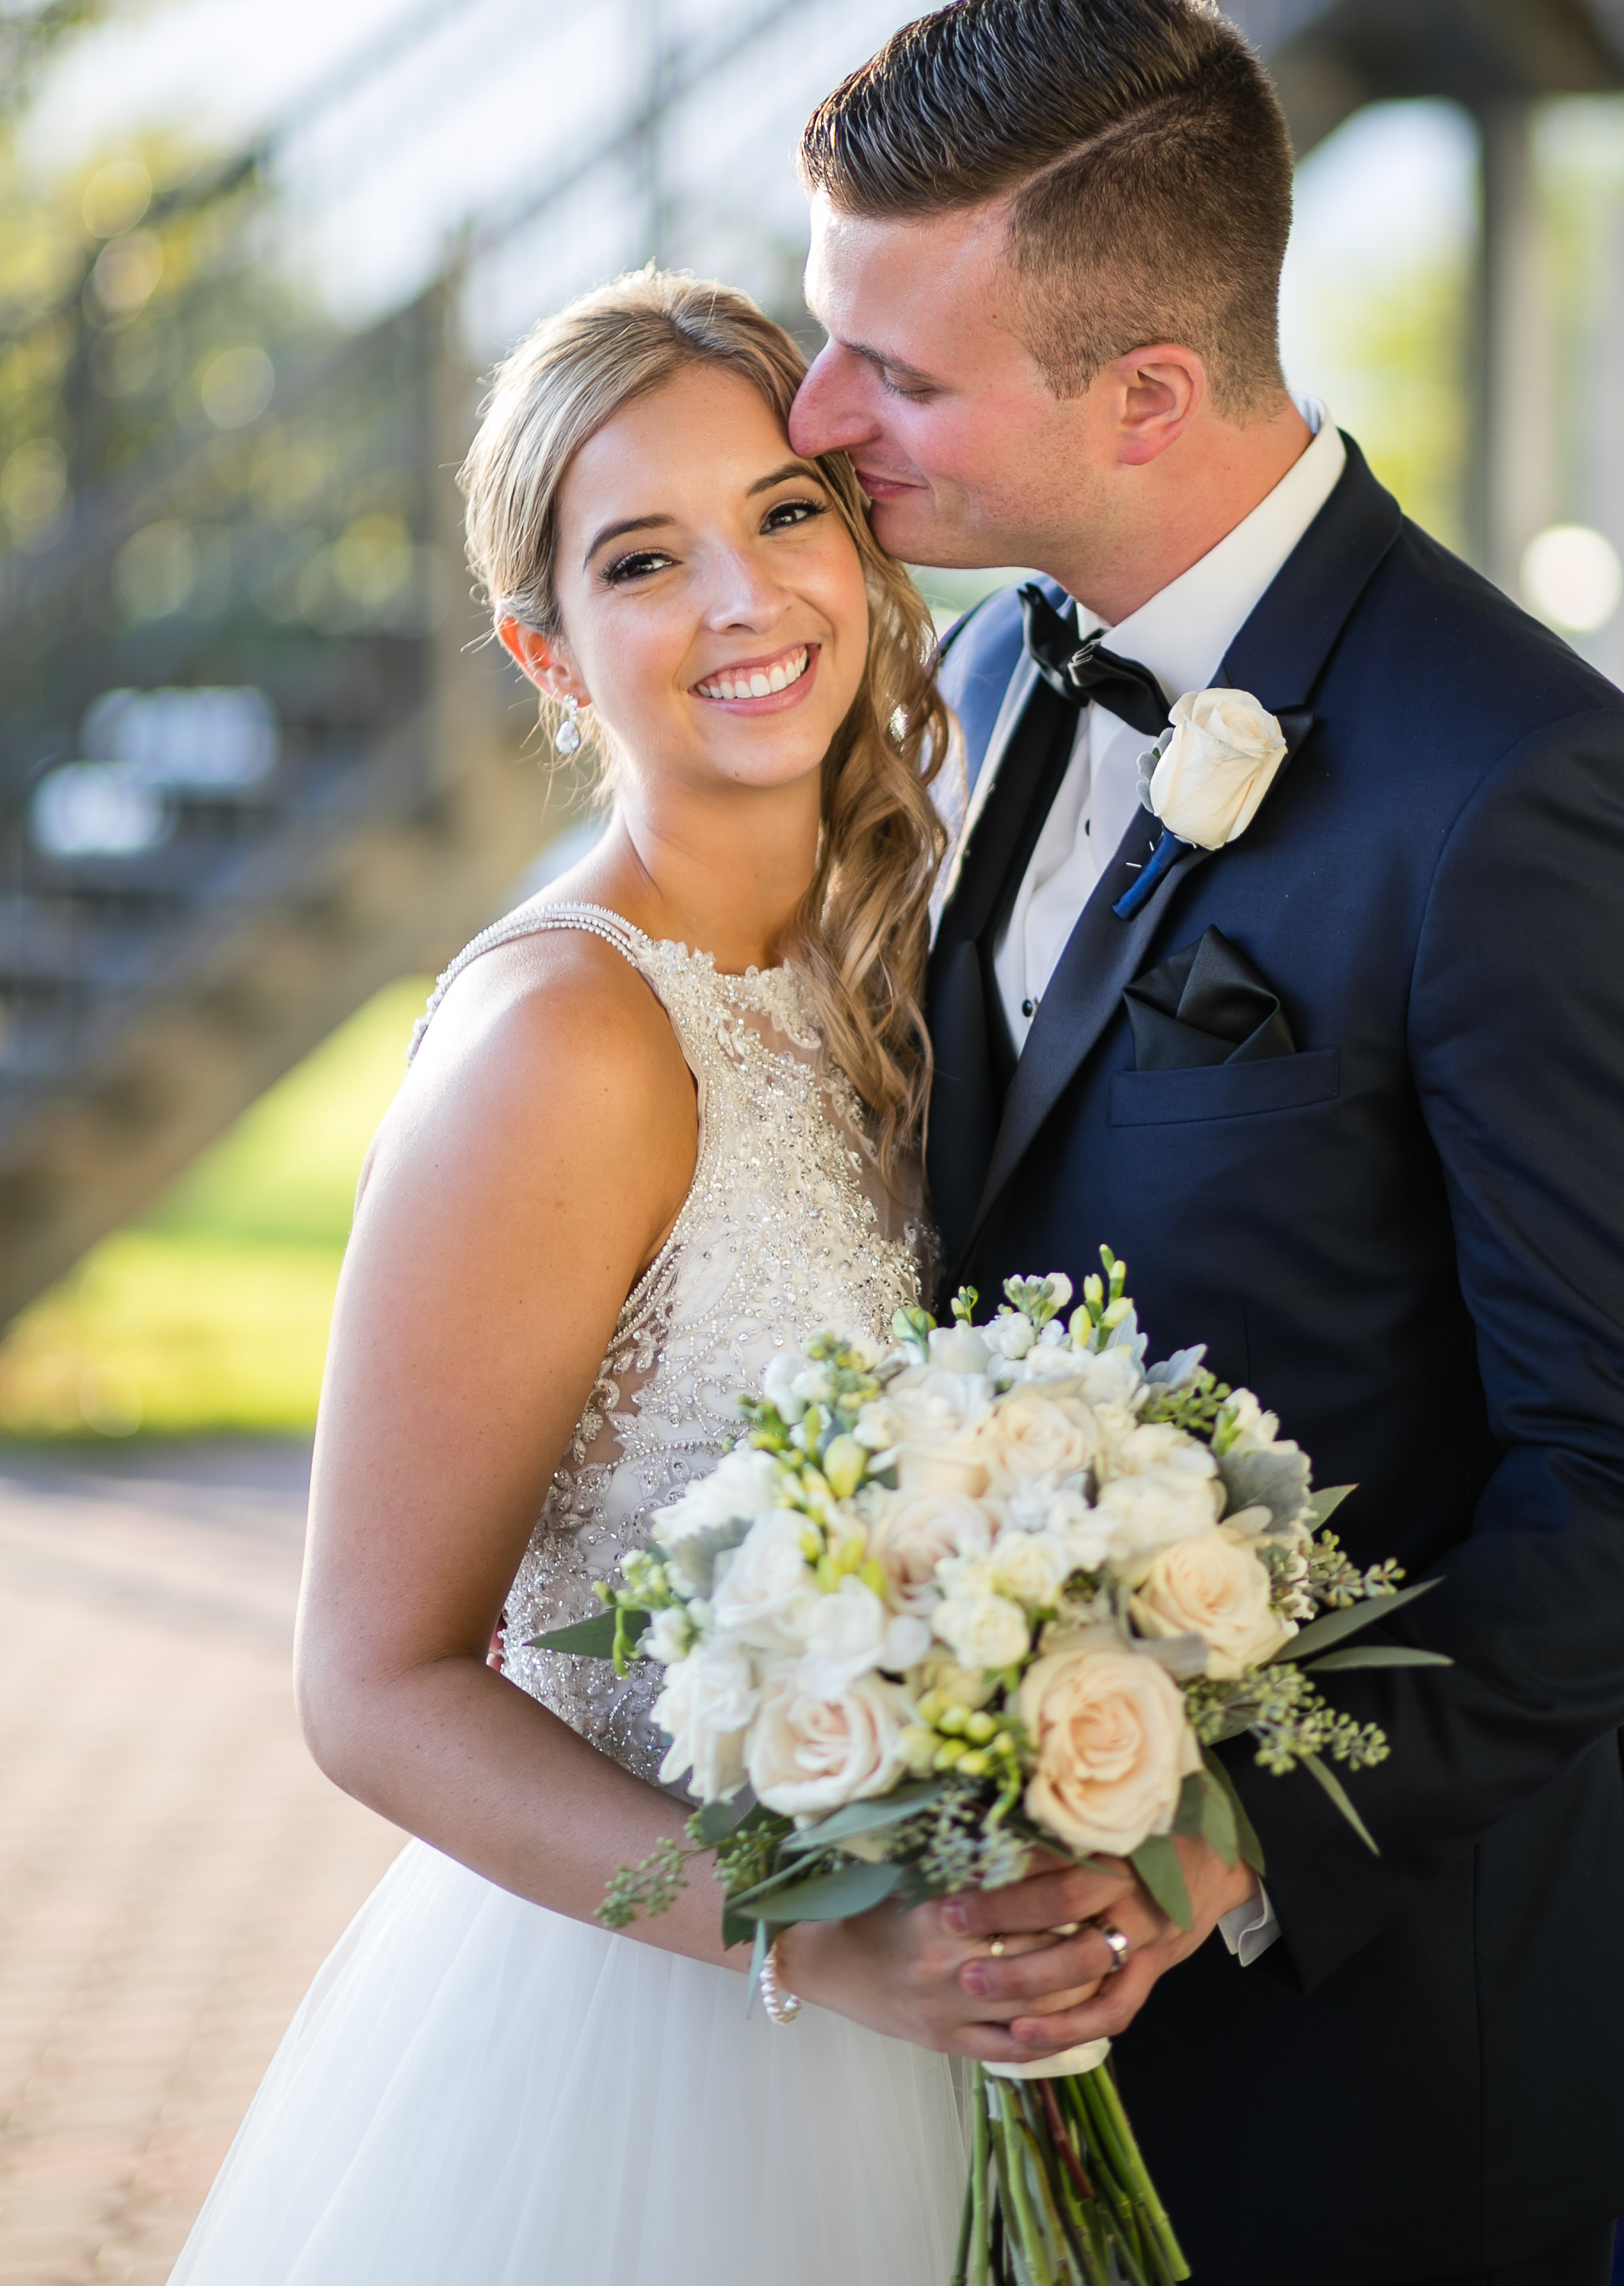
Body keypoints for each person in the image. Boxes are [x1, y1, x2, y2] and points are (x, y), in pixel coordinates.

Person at [788, 0, 1624, 2286]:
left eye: (898, 373)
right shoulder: (999, 664)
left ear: (1147, 394)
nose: (820, 417)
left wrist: (1208, 1845)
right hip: (964, 2041)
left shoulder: (1534, 797)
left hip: (1374, 2068)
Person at [167, 276, 1109, 2286]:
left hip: (941, 2033)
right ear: (552, 652)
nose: (746, 602)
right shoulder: (570, 1043)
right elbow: (375, 1687)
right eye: (643, 560)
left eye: (785, 513)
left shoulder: (896, 959)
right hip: (666, 2050)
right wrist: (818, 1929)